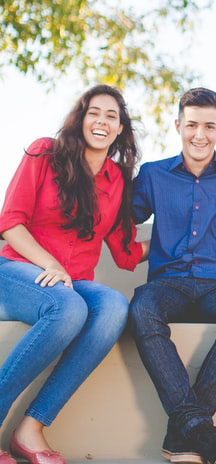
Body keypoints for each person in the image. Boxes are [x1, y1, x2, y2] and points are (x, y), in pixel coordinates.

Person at [0, 85, 148, 464]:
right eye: (93, 112)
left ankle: (31, 428)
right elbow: (10, 223)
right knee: (68, 309)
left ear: (120, 129)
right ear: (81, 119)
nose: (101, 121)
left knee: (114, 306)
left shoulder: (117, 180)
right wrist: (49, 263)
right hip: (17, 268)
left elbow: (126, 252)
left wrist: (184, 243)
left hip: (72, 282)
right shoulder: (44, 153)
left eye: (111, 116)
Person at [128, 88, 216, 464]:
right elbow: (120, 218)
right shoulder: (153, 175)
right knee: (141, 308)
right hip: (167, 283)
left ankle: (185, 431)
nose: (199, 135)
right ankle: (199, 429)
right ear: (178, 125)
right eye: (191, 125)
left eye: (209, 126)